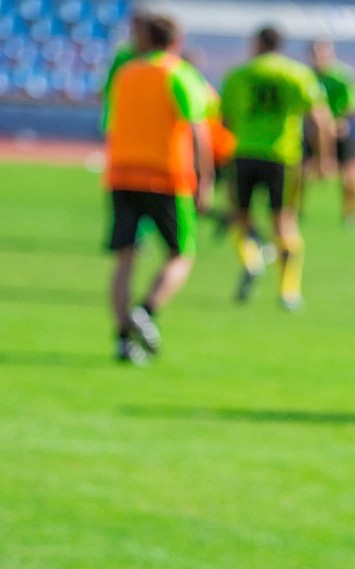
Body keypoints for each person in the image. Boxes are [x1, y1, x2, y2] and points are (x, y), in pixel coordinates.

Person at [104, 14, 214, 364]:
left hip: (122, 174)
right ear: (175, 41)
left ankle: (123, 338)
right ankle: (147, 311)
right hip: (166, 177)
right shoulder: (178, 74)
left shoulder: (125, 74)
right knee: (181, 253)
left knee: (125, 258)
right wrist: (205, 180)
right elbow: (198, 129)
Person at [220, 26, 335, 309]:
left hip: (245, 153)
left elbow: (225, 120)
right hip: (282, 156)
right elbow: (321, 119)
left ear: (258, 43)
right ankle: (288, 292)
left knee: (240, 216)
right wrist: (323, 159)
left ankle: (252, 260)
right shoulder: (296, 74)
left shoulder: (239, 74)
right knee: (284, 223)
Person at [307, 39, 355, 229]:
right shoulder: (307, 76)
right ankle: (294, 212)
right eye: (316, 52)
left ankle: (351, 215)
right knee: (298, 173)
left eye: (323, 52)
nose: (319, 57)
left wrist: (341, 121)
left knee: (349, 175)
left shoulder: (343, 75)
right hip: (313, 132)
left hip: (341, 131)